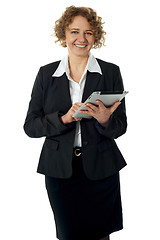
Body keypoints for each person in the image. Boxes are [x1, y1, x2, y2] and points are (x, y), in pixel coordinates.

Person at [24, 5, 127, 240]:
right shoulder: (46, 74)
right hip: (60, 170)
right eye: (74, 32)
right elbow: (30, 126)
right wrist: (63, 119)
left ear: (95, 37)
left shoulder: (111, 72)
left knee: (101, 235)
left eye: (89, 32)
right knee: (69, 234)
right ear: (63, 35)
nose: (81, 39)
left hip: (102, 168)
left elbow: (121, 126)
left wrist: (105, 120)